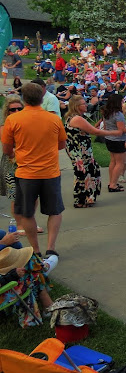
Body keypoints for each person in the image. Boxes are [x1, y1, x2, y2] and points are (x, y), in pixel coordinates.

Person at [1, 83, 66, 259]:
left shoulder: (13, 120)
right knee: (55, 211)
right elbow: (62, 144)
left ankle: (36, 250)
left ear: (24, 99)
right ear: (42, 98)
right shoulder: (54, 119)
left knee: (27, 212)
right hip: (50, 172)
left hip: (26, 173)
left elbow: (7, 149)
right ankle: (51, 247)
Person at [63, 95, 121, 208]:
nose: (86, 105)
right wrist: (113, 132)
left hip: (81, 150)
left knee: (90, 171)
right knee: (83, 173)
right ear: (77, 106)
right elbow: (95, 132)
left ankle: (87, 198)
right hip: (80, 151)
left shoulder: (74, 117)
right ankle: (81, 200)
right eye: (83, 104)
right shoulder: (77, 119)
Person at [102, 94, 126, 192]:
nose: (123, 103)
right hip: (118, 140)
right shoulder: (118, 115)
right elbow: (121, 129)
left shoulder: (106, 113)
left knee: (113, 161)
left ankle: (111, 181)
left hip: (108, 138)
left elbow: (106, 127)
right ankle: (113, 185)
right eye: (122, 101)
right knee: (120, 163)